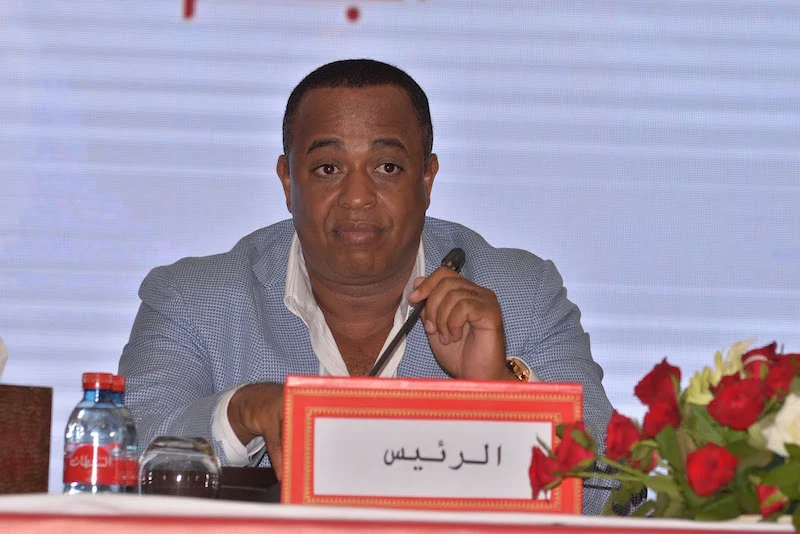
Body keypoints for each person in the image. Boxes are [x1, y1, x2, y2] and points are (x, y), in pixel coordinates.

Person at [119, 59, 614, 514]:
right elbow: (118, 475)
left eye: (387, 168)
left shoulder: (519, 295)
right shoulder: (191, 301)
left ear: (427, 179)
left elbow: (617, 493)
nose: (357, 197)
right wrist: (239, 413)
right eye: (328, 168)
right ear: (288, 181)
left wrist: (498, 392)